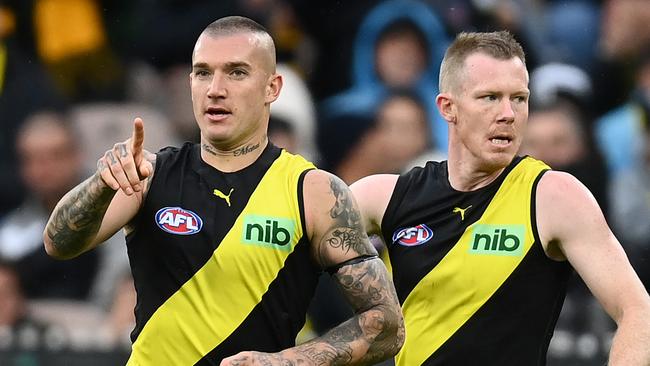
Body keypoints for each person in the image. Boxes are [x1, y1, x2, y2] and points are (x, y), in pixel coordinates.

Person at [42, 16, 404, 365]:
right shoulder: (150, 175)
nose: (216, 89)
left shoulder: (313, 192)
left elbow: (387, 325)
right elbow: (59, 243)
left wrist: (290, 361)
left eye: (237, 72)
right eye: (203, 73)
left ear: (271, 88)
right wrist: (100, 184)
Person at [350, 31, 650, 365]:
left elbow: (638, 311)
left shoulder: (553, 197)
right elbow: (291, 259)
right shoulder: (384, 196)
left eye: (519, 99)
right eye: (490, 97)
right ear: (448, 107)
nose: (508, 113)